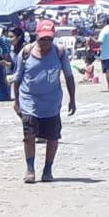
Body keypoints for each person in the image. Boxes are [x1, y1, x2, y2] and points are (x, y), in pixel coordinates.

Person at [12, 19, 76, 184]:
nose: (46, 42)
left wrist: (72, 99)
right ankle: (30, 169)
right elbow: (17, 78)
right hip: (29, 100)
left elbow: (69, 76)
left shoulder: (60, 52)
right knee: (29, 136)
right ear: (37, 37)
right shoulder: (25, 52)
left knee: (52, 137)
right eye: (43, 38)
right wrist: (16, 101)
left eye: (49, 38)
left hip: (52, 102)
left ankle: (48, 169)